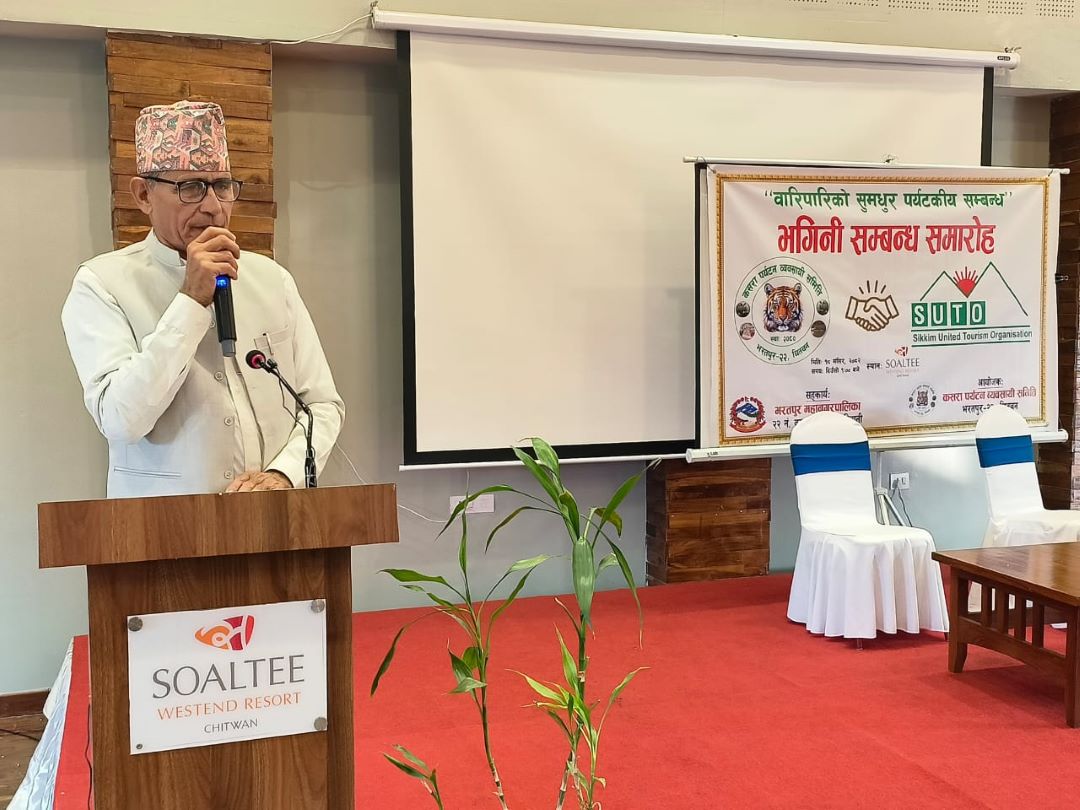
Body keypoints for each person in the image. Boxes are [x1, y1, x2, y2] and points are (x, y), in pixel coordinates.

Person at [60, 100, 343, 498]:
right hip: (163, 525)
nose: (212, 207)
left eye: (222, 186)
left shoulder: (272, 280)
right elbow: (121, 420)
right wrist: (191, 301)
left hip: (275, 520)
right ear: (143, 195)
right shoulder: (102, 284)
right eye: (190, 188)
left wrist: (284, 474)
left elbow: (322, 406)